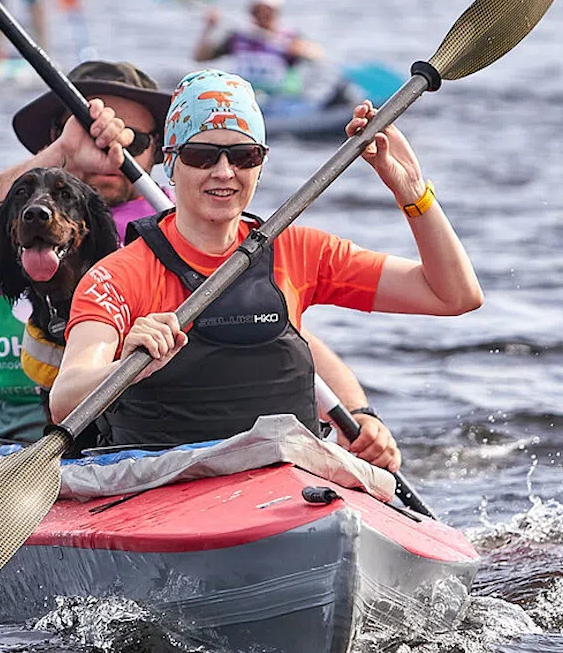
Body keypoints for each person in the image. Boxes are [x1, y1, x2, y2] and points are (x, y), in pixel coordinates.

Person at [50, 70, 484, 472]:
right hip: (162, 485)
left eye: (244, 155)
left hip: (284, 486)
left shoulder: (299, 250)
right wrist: (127, 364)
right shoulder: (121, 275)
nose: (224, 172)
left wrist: (412, 191)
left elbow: (454, 296)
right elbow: (65, 399)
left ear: (260, 163)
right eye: (202, 156)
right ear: (170, 162)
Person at [0, 61, 382, 449]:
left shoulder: (182, 230)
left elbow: (275, 326)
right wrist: (63, 154)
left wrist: (359, 413)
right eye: (82, 132)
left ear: (158, 151)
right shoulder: (19, 218)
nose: (108, 152)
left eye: (130, 140)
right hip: (20, 437)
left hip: (135, 436)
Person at [193, 0, 325, 97]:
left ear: (276, 12)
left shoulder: (289, 38)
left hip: (279, 99)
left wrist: (301, 50)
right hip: (245, 96)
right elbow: (200, 57)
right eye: (258, 11)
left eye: (267, 11)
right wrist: (208, 29)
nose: (262, 16)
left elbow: (318, 55)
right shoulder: (238, 37)